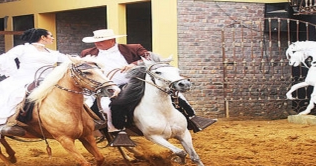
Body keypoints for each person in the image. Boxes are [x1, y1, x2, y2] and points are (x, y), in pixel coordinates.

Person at [80, 29, 216, 144]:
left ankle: (193, 117)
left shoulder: (133, 48)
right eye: (96, 41)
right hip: (106, 86)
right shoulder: (88, 53)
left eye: (101, 41)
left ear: (112, 40)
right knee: (105, 106)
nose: (97, 43)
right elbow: (83, 68)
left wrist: (134, 64)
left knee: (175, 93)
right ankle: (117, 131)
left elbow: (150, 58)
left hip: (135, 82)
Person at [0, 28, 68, 141]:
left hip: (47, 81)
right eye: (50, 35)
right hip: (24, 80)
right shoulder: (23, 49)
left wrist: (86, 60)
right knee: (16, 97)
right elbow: (7, 57)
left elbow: (69, 59)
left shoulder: (52, 53)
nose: (53, 38)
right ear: (43, 37)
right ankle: (13, 122)